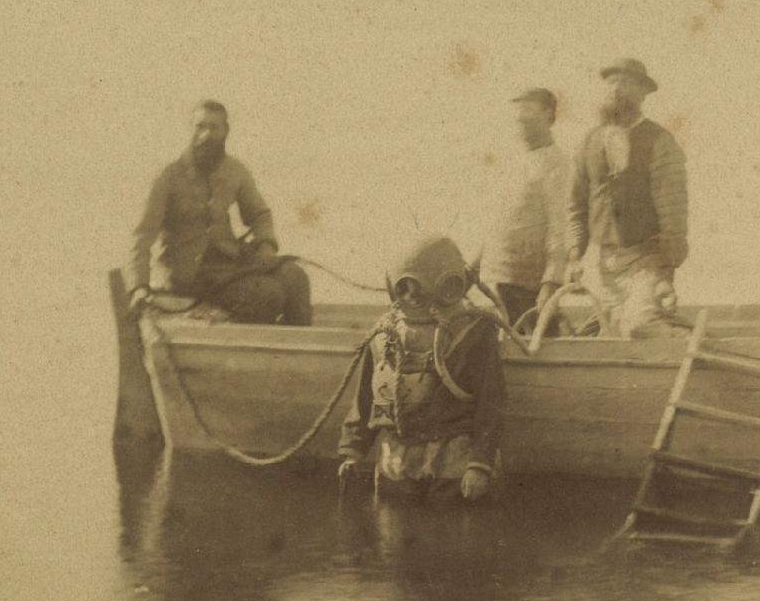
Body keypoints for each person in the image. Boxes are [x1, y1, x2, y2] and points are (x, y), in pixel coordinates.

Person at [337, 236, 506, 501]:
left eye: (417, 287)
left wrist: (479, 464)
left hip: (454, 460)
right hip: (397, 459)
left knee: (451, 533)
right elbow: (365, 399)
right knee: (392, 533)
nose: (411, 296)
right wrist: (352, 453)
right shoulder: (385, 333)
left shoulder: (472, 331)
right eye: (404, 287)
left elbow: (492, 402)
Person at [124, 100, 312, 325]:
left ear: (226, 132)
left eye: (214, 128)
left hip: (229, 266)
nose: (206, 134)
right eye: (200, 126)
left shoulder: (235, 170)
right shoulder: (168, 175)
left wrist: (266, 245)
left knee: (296, 277)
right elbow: (142, 235)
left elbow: (260, 215)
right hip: (186, 274)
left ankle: (294, 355)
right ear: (189, 129)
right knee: (268, 295)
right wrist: (138, 286)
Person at [566, 57, 689, 339]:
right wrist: (574, 255)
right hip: (601, 265)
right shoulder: (587, 142)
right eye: (611, 82)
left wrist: (666, 273)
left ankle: (689, 345)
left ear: (643, 93)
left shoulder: (660, 142)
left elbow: (674, 214)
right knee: (602, 338)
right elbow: (575, 206)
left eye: (626, 82)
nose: (616, 89)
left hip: (645, 262)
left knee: (640, 326)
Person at [480, 87, 573, 331]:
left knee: (535, 357)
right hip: (496, 283)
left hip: (529, 288)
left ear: (548, 114)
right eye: (518, 110)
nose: (521, 117)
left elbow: (560, 228)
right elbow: (496, 225)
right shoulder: (511, 163)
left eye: (528, 109)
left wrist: (550, 284)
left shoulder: (557, 164)